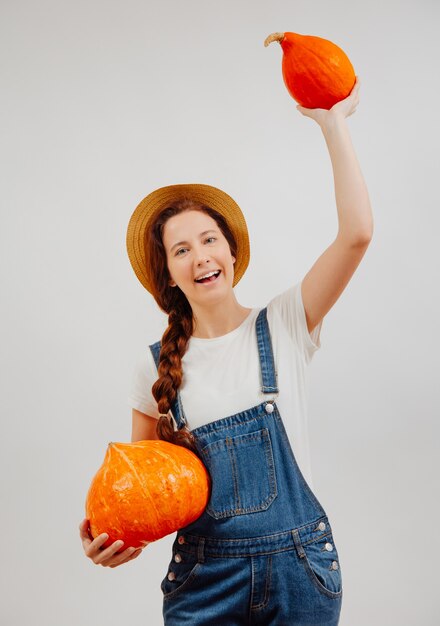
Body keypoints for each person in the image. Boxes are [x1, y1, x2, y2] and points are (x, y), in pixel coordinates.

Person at [80, 76, 373, 625]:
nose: (200, 256)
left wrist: (333, 124)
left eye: (209, 239)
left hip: (299, 573)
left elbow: (356, 234)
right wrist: (111, 536)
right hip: (204, 580)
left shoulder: (286, 322)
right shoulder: (151, 367)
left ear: (232, 250)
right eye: (181, 249)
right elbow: (139, 495)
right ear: (169, 274)